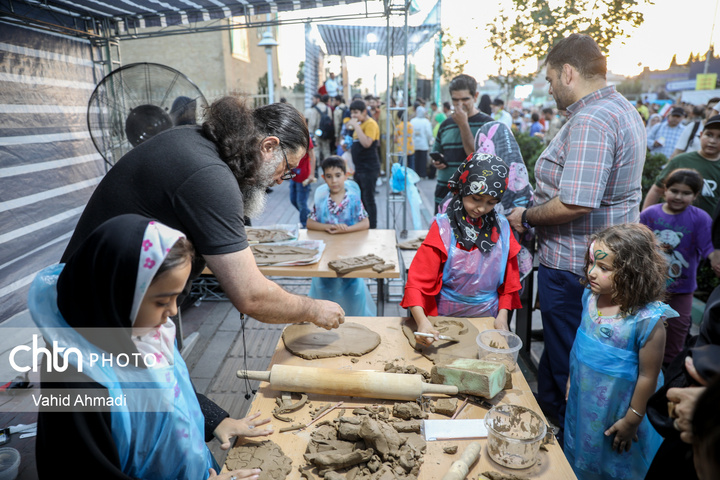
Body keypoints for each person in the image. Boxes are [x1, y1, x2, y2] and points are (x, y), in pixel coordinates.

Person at [62, 96, 345, 331]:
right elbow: (251, 296)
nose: (284, 179)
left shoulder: (202, 141)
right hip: (95, 320)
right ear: (268, 146)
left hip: (113, 306)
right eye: (289, 168)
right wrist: (313, 309)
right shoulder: (210, 176)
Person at [29, 215, 272, 479]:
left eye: (177, 296)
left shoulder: (143, 330)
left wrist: (216, 420)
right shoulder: (77, 383)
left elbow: (171, 390)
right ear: (118, 295)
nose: (173, 311)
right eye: (161, 301)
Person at [506, 34, 647, 442]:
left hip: (575, 266)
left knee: (571, 364)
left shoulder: (592, 120)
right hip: (592, 261)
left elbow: (576, 202)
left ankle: (567, 445)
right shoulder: (618, 108)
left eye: (551, 80)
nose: (549, 89)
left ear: (569, 72)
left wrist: (527, 216)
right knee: (560, 353)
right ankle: (554, 426)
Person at [564, 224, 673, 480]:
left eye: (604, 268)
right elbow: (580, 347)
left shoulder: (647, 321)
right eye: (591, 263)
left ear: (633, 273)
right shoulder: (589, 298)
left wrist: (632, 419)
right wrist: (572, 380)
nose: (592, 272)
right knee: (584, 449)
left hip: (621, 409)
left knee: (614, 461)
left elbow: (649, 377)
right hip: (586, 400)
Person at [400, 153, 522, 345]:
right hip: (442, 322)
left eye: (491, 203)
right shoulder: (443, 229)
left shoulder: (503, 231)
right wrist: (423, 322)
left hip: (487, 321)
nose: (481, 208)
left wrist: (502, 316)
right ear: (463, 188)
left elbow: (510, 284)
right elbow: (416, 283)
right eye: (476, 198)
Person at [640, 169, 720, 365]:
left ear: (695, 195)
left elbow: (709, 246)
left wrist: (715, 259)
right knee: (643, 329)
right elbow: (638, 244)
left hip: (682, 290)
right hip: (649, 287)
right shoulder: (650, 214)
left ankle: (666, 373)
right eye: (674, 191)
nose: (678, 196)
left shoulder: (700, 218)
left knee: (676, 333)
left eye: (686, 193)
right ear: (665, 190)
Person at [306, 157, 375, 316]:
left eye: (338, 175)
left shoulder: (354, 200)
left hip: (350, 255)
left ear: (346, 175)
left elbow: (365, 223)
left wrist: (348, 229)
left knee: (352, 291)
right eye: (329, 176)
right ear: (323, 178)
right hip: (326, 254)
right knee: (325, 289)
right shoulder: (322, 199)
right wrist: (327, 227)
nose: (334, 180)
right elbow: (310, 222)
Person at [431, 74, 493, 212]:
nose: (460, 104)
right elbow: (436, 152)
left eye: (465, 99)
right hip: (444, 192)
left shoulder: (488, 125)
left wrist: (463, 124)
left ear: (475, 96)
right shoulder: (445, 124)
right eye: (455, 100)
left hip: (474, 197)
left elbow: (477, 158)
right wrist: (436, 162)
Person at [643, 115, 720, 217]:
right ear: (700, 135)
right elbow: (657, 190)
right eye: (709, 135)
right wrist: (643, 220)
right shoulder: (680, 160)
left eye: (719, 137)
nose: (712, 141)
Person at [347, 99, 381, 229]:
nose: (353, 116)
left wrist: (356, 126)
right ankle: (363, 224)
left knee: (369, 199)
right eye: (352, 113)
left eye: (356, 112)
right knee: (361, 199)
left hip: (369, 167)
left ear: (364, 112)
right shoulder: (360, 125)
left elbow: (367, 143)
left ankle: (372, 227)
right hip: (360, 168)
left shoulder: (370, 124)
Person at [289, 136, 316, 228]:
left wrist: (311, 174)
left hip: (304, 176)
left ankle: (305, 224)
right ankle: (311, 217)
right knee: (293, 200)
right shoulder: (290, 135)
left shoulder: (305, 137)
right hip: (293, 176)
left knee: (301, 202)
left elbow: (312, 156)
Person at [306, 93, 334, 165]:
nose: (312, 101)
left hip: (317, 132)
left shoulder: (314, 109)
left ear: (317, 99)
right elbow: (330, 121)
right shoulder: (328, 108)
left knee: (316, 150)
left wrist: (310, 133)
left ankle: (316, 166)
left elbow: (312, 123)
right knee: (326, 150)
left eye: (313, 99)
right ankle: (328, 166)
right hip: (326, 133)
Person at [410, 105, 433, 178]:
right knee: (423, 161)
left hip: (414, 144)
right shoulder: (426, 122)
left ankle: (415, 175)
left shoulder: (412, 121)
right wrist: (430, 140)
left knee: (415, 160)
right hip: (423, 145)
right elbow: (429, 133)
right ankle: (422, 174)